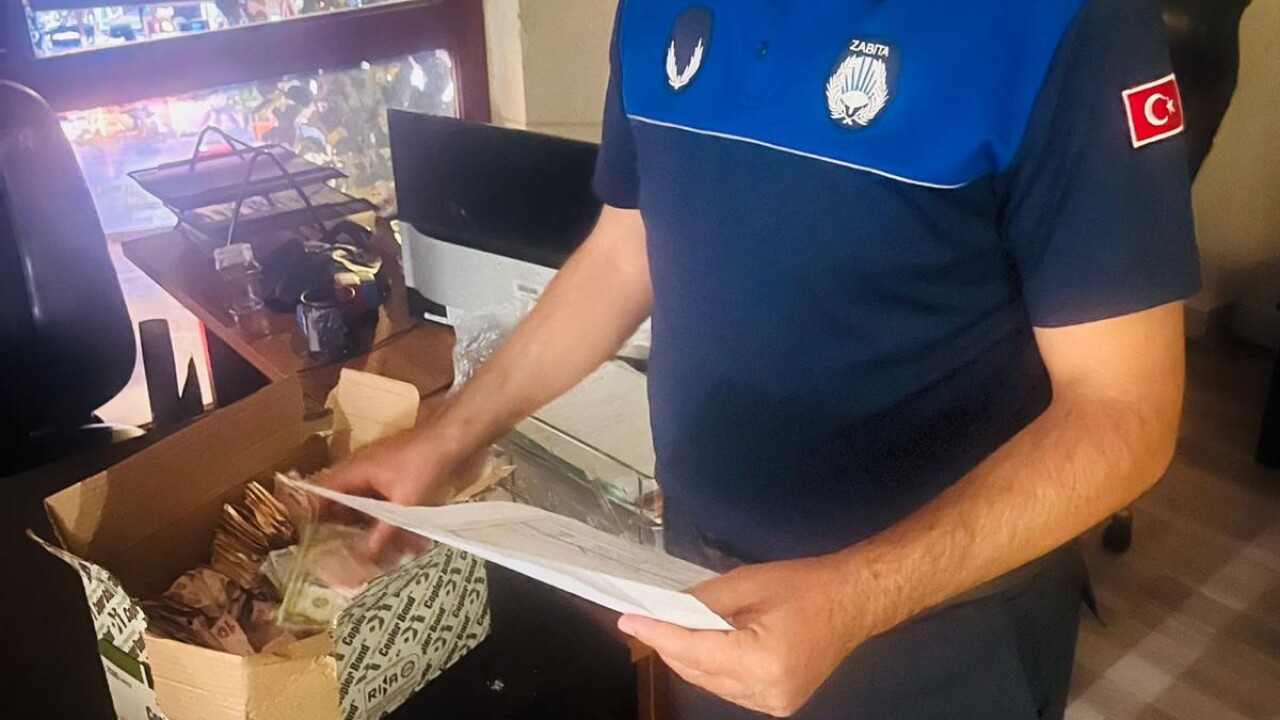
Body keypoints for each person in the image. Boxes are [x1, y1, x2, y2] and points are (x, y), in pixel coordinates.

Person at [324, 0, 1200, 716]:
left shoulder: (1072, 23)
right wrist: (450, 435)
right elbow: (629, 249)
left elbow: (1125, 412)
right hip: (697, 579)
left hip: (937, 623)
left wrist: (858, 596)